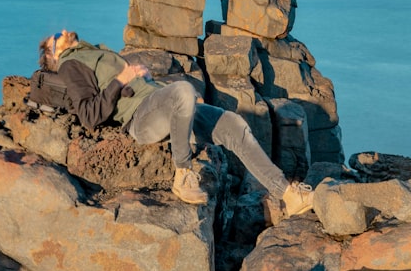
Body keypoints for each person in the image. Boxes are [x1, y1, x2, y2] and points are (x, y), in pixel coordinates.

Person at [38, 30, 313, 216]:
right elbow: (89, 115)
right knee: (182, 90)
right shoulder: (70, 64)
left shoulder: (92, 52)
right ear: (54, 54)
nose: (63, 30)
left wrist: (142, 78)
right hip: (140, 120)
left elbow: (134, 89)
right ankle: (182, 174)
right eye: (56, 37)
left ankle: (286, 193)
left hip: (156, 103)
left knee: (234, 124)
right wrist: (121, 80)